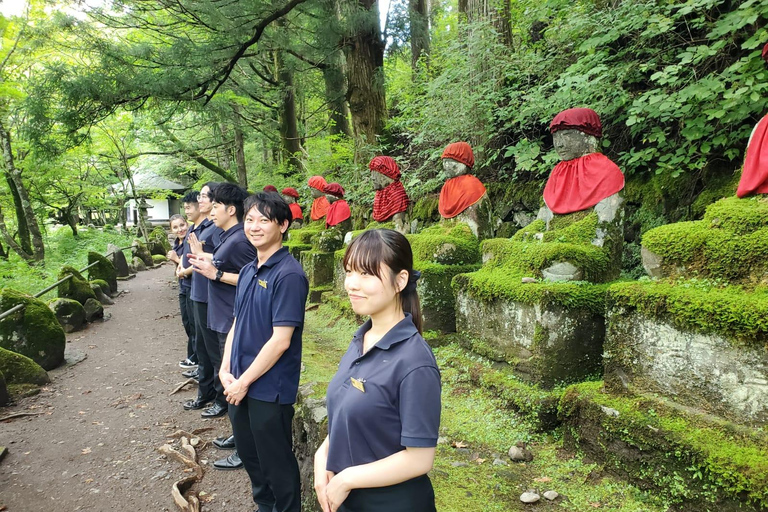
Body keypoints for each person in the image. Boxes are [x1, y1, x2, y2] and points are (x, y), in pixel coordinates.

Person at [314, 229, 441, 512]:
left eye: (366, 274)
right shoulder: (362, 338)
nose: (352, 284)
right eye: (349, 272)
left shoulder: (414, 362)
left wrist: (347, 478)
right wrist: (322, 455)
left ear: (401, 280)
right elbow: (347, 412)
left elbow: (420, 459)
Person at [219, 192, 309, 512]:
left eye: (264, 220)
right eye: (249, 220)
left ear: (283, 225)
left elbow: (281, 340)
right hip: (239, 380)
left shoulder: (289, 274)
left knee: (276, 462)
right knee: (249, 455)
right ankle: (264, 506)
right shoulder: (247, 271)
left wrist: (244, 381)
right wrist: (225, 367)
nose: (254, 227)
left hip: (269, 388)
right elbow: (237, 322)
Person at [182, 183, 225, 417]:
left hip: (210, 295)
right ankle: (206, 392)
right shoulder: (202, 225)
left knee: (214, 350)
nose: (200, 200)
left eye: (205, 196)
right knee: (203, 346)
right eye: (199, 195)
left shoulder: (215, 227)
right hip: (198, 292)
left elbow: (219, 259)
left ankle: (219, 397)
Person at [173, 192, 202, 373]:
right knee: (188, 323)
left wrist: (180, 267)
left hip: (192, 283)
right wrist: (178, 266)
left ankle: (196, 359)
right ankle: (193, 357)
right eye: (175, 227)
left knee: (195, 324)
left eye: (188, 208)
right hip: (184, 284)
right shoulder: (186, 235)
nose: (180, 229)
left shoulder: (197, 231)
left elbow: (198, 258)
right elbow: (184, 255)